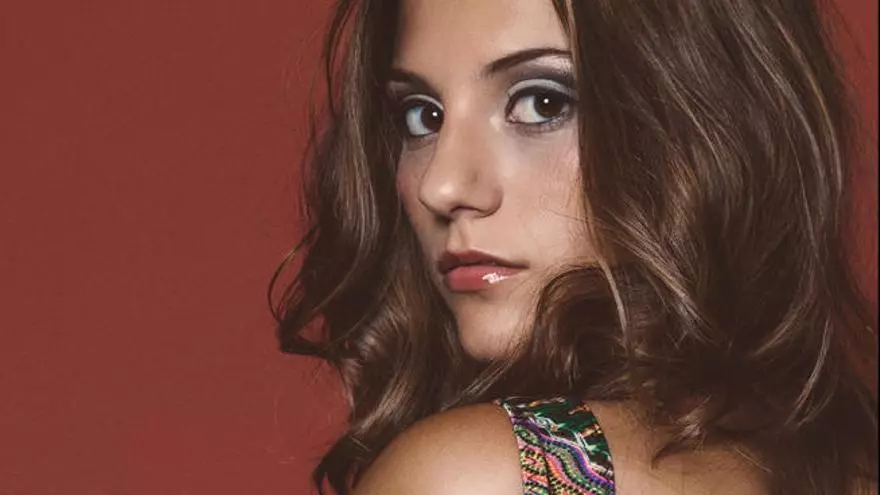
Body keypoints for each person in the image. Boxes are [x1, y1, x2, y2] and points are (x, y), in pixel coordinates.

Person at [271, 0, 879, 493]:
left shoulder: (490, 476)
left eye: (542, 103)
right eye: (421, 116)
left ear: (709, 126)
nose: (442, 185)